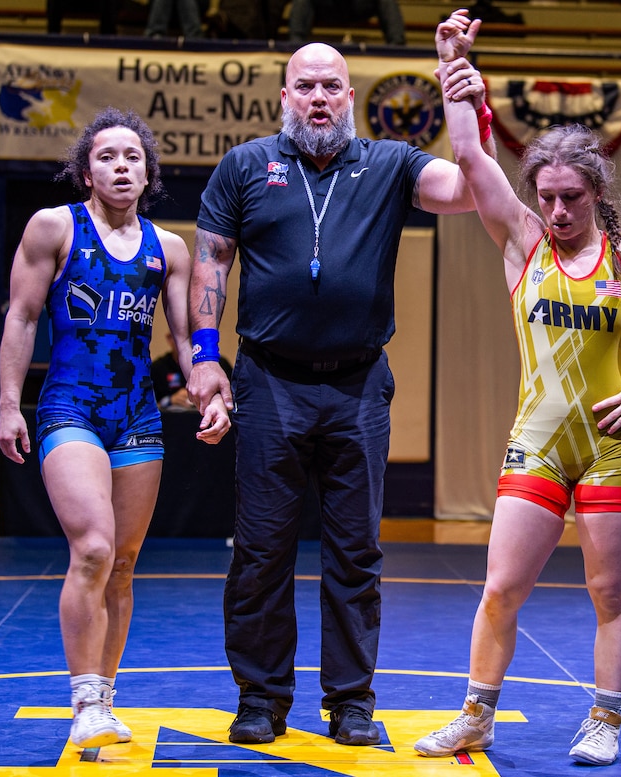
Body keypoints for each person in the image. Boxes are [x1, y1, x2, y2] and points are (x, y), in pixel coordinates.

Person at [413, 10, 621, 767]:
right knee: (499, 587)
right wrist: (453, 66)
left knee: (611, 592)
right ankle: (476, 716)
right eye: (545, 196)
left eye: (570, 198)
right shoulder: (521, 243)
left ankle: (605, 720)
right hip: (539, 443)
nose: (555, 211)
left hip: (613, 447)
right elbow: (468, 153)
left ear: (595, 192)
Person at [185, 40, 495, 747]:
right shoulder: (244, 166)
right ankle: (261, 696)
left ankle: (351, 699)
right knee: (262, 550)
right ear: (285, 97)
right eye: (305, 86)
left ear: (349, 97)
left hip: (357, 385)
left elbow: (472, 188)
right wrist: (205, 360)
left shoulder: (390, 163)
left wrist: (464, 97)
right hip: (269, 382)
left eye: (331, 85)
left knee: (355, 552)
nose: (319, 97)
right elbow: (210, 263)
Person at [0, 107, 231, 749]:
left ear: (148, 170)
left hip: (137, 413)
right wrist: (11, 403)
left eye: (132, 156)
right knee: (94, 548)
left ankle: (104, 695)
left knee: (124, 563)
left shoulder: (169, 248)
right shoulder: (54, 229)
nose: (121, 166)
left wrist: (207, 389)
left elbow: (185, 339)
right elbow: (20, 317)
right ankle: (84, 700)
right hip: (69, 406)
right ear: (86, 170)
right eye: (107, 156)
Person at [287, 0, 406, 46]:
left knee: (387, 1)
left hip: (357, 6)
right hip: (329, 7)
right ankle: (295, 46)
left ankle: (397, 46)